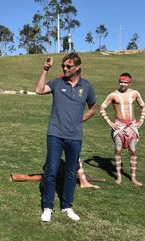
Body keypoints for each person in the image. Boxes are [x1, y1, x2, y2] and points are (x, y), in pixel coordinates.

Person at [35, 53, 97, 222]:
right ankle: (48, 207)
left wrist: (80, 119)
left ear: (77, 67)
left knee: (71, 172)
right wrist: (45, 69)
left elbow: (93, 108)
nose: (65, 68)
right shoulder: (57, 82)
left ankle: (67, 206)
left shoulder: (87, 87)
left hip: (75, 136)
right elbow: (39, 90)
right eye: (63, 66)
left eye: (69, 66)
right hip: (55, 134)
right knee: (51, 171)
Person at [100, 73, 145, 187]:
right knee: (117, 150)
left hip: (132, 126)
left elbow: (143, 107)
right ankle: (119, 176)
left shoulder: (134, 93)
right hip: (119, 126)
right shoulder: (113, 95)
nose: (123, 84)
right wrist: (109, 122)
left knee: (133, 150)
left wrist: (141, 120)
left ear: (130, 83)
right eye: (121, 82)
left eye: (125, 82)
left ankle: (133, 177)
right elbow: (102, 108)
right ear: (119, 81)